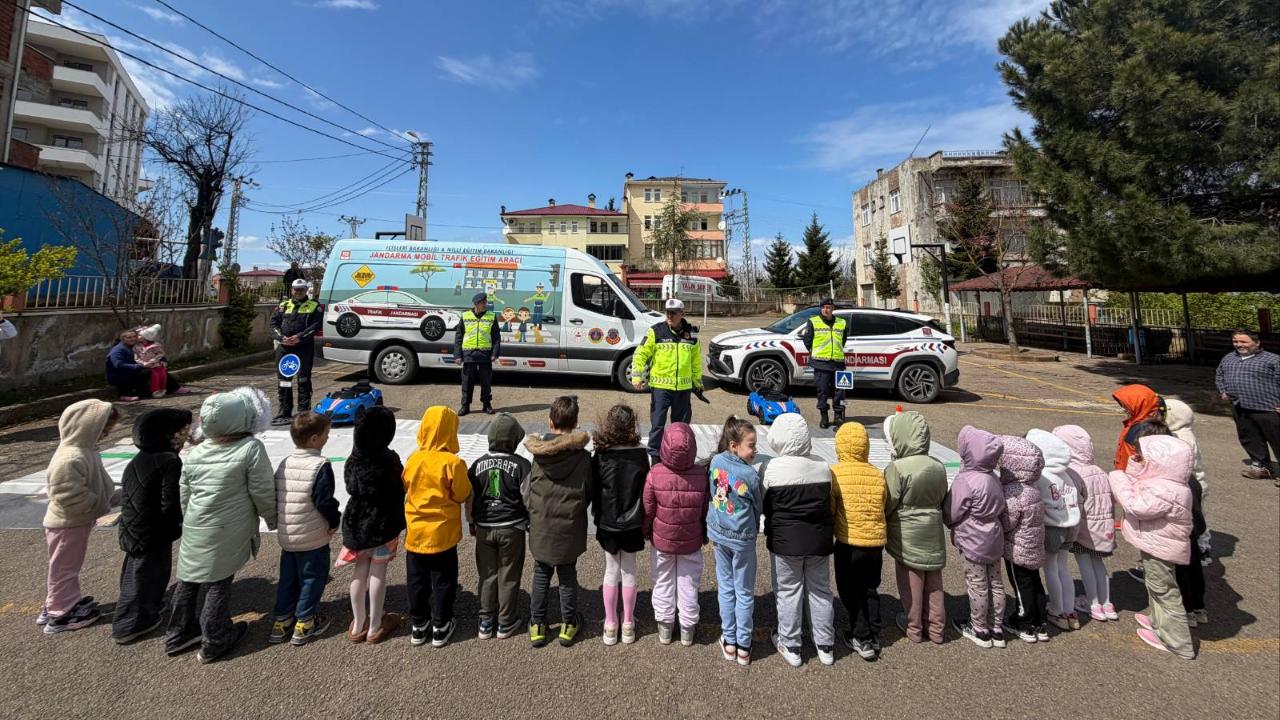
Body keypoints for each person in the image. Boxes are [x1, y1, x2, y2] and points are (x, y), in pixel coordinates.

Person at [167, 387, 276, 663]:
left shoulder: (198, 451)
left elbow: (184, 490)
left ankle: (178, 632)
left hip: (196, 522)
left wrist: (188, 517)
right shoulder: (251, 448)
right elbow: (262, 489)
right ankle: (216, 637)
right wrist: (272, 516)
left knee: (189, 578)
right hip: (229, 527)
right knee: (218, 580)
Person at [1109, 434, 1196, 659]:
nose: (1139, 458)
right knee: (1155, 584)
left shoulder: (1164, 489)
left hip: (1161, 546)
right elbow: (1139, 483)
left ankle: (1177, 642)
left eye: (1143, 457)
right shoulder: (1166, 482)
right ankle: (1159, 623)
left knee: (1164, 589)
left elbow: (1135, 505)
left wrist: (1118, 479)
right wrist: (1136, 467)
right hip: (1156, 543)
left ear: (1160, 461)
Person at [760, 412, 836, 667]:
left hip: (784, 542)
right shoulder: (823, 467)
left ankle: (790, 643)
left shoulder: (769, 468)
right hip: (819, 540)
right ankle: (825, 643)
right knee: (820, 590)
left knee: (788, 591)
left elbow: (764, 505)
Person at [112, 408, 192, 644]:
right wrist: (175, 526)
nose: (185, 437)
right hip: (154, 530)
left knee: (135, 571)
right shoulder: (169, 461)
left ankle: (137, 614)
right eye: (182, 432)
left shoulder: (140, 459)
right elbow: (170, 500)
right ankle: (132, 623)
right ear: (169, 435)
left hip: (134, 527)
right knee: (148, 575)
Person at [40, 399, 120, 633]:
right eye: (103, 428)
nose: (105, 434)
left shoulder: (85, 450)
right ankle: (61, 613)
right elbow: (67, 494)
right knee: (65, 567)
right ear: (87, 427)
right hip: (67, 523)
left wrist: (112, 497)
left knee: (64, 565)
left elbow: (93, 483)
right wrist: (99, 504)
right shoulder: (70, 457)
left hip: (77, 520)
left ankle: (58, 603)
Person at [524, 396, 593, 648]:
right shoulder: (583, 458)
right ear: (576, 422)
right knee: (567, 573)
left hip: (541, 522)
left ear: (549, 422)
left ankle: (538, 625)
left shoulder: (538, 456)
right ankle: (568, 624)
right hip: (570, 524)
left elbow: (529, 490)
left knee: (541, 572)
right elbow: (589, 492)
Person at [269, 412, 341, 646]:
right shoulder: (320, 465)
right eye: (326, 435)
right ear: (313, 439)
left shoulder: (285, 462)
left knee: (288, 577)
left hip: (288, 532)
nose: (328, 438)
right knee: (312, 577)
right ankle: (306, 619)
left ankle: (282, 619)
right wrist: (333, 521)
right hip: (312, 534)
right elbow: (324, 501)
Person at [402, 406, 471, 648]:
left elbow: (406, 484)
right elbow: (462, 493)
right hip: (443, 534)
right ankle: (441, 623)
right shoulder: (453, 462)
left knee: (416, 581)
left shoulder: (413, 459)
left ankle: (418, 624)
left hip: (416, 532)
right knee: (443, 580)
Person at [337, 405, 405, 645]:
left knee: (359, 572)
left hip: (357, 523)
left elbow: (349, 486)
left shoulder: (354, 459)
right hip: (383, 524)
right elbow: (400, 485)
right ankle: (376, 624)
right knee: (378, 573)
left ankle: (358, 623)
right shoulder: (390, 459)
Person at [883, 410, 948, 646]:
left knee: (911, 580)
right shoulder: (938, 465)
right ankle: (937, 628)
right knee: (934, 581)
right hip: (933, 531)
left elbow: (889, 501)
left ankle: (914, 627)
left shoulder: (898, 468)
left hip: (907, 532)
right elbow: (943, 497)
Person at [642, 421, 709, 647]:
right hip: (691, 540)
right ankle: (688, 629)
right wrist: (704, 534)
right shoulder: (701, 474)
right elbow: (704, 510)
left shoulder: (655, 473)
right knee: (689, 582)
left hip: (662, 539)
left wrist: (646, 531)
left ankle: (665, 627)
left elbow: (648, 508)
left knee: (662, 581)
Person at [466, 412, 531, 641]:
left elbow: (470, 497)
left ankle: (485, 621)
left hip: (484, 525)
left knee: (487, 573)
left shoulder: (477, 465)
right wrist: (530, 522)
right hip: (512, 527)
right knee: (509, 574)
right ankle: (506, 621)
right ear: (514, 441)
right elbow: (528, 498)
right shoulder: (522, 465)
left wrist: (471, 522)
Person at [590, 405, 649, 646]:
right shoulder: (640, 454)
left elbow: (594, 490)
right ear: (632, 425)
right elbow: (646, 490)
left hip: (608, 521)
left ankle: (610, 622)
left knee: (611, 571)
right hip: (633, 522)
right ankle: (628, 623)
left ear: (608, 425)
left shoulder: (600, 455)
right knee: (629, 570)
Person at [943, 426, 1007, 649]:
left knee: (977, 583)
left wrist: (950, 523)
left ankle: (979, 628)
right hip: (994, 535)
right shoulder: (994, 478)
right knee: (996, 582)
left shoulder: (966, 479)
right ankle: (997, 627)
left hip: (972, 538)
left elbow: (953, 510)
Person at [830, 421, 888, 660]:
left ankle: (860, 635)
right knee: (870, 586)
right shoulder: (877, 473)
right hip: (875, 544)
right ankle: (874, 631)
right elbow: (884, 503)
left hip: (849, 541)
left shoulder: (835, 473)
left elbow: (832, 508)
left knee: (849, 589)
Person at [707, 416, 763, 666]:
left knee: (726, 588)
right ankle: (743, 644)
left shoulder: (716, 462)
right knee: (744, 591)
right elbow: (758, 507)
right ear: (734, 445)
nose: (754, 450)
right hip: (743, 539)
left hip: (720, 533)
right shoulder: (750, 475)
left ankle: (729, 640)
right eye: (751, 445)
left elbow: (713, 493)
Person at [1052, 425, 1118, 622]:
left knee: (1084, 562)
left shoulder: (1073, 473)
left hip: (1085, 528)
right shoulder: (1100, 471)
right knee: (1098, 563)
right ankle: (1107, 603)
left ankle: (1093, 602)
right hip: (1104, 528)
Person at [631, 298, 704, 461]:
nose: (669, 316)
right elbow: (640, 354)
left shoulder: (691, 333)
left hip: (683, 390)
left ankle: (679, 457)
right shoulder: (655, 331)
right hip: (661, 389)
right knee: (657, 426)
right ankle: (655, 460)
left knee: (681, 428)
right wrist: (637, 376)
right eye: (667, 312)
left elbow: (696, 361)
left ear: (682, 314)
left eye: (673, 313)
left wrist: (697, 382)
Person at [1027, 428, 1082, 632]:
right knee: (1063, 568)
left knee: (1050, 568)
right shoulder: (1067, 475)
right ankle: (1070, 610)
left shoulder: (1042, 476)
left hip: (1052, 527)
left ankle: (1057, 610)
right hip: (1071, 525)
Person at [998, 434, 1048, 643]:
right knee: (1034, 581)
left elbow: (1008, 522)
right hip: (1034, 545)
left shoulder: (1013, 492)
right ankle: (1039, 620)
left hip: (1018, 547)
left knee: (1021, 584)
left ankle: (1024, 621)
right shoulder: (1033, 489)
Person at [1215, 329, 1280, 481]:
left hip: (1269, 408)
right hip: (1241, 407)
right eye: (1236, 342)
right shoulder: (1228, 358)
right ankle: (1261, 467)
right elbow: (1219, 375)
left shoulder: (1273, 360)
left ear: (1256, 343)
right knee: (1250, 438)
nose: (1239, 345)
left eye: (1243, 341)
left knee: (1278, 440)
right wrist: (1223, 391)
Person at [1165, 398, 1213, 561]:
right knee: (1195, 518)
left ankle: (1199, 551)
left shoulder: (1181, 438)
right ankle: (1200, 548)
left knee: (1192, 521)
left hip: (1190, 486)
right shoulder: (1183, 433)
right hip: (1193, 485)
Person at [271, 279, 322, 424]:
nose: (298, 292)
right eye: (296, 289)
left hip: (303, 347)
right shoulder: (283, 305)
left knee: (303, 379)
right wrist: (281, 338)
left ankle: (303, 412)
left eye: (301, 289)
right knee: (284, 380)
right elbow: (274, 324)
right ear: (291, 290)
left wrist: (299, 337)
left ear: (306, 290)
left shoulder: (314, 306)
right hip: (285, 347)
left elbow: (315, 326)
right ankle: (284, 411)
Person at [797, 298, 849, 429]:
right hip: (821, 363)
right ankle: (824, 416)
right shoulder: (813, 322)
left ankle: (838, 415)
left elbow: (843, 340)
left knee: (840, 392)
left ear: (833, 309)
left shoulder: (842, 322)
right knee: (823, 391)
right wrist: (816, 351)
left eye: (829, 307)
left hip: (838, 363)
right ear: (821, 308)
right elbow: (807, 340)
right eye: (824, 307)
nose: (826, 310)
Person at [453, 292, 501, 416]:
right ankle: (465, 405)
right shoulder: (465, 316)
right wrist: (458, 355)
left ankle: (487, 405)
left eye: (486, 302)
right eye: (483, 303)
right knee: (467, 382)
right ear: (476, 304)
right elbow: (459, 337)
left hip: (485, 354)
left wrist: (495, 353)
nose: (486, 304)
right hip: (469, 354)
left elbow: (496, 337)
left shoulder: (491, 316)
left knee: (486, 382)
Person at [105, 328, 183, 401]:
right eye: (129, 337)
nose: (132, 339)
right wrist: (141, 366)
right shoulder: (118, 350)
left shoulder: (137, 346)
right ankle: (126, 394)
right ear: (122, 339)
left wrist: (163, 360)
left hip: (133, 371)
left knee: (159, 368)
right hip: (119, 375)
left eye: (134, 336)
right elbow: (118, 365)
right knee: (148, 371)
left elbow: (154, 353)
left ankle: (173, 388)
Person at [1112, 384, 1165, 470]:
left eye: (1126, 406)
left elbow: (1133, 461)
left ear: (1139, 404)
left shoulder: (1141, 430)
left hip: (1130, 478)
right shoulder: (1150, 423)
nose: (1124, 409)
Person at [133, 325, 170, 398]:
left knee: (162, 375)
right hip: (146, 365)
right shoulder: (137, 346)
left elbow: (161, 353)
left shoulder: (156, 345)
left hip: (156, 364)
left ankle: (162, 389)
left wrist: (153, 360)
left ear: (146, 337)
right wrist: (143, 363)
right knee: (154, 376)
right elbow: (136, 357)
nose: (137, 336)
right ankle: (155, 391)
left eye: (140, 335)